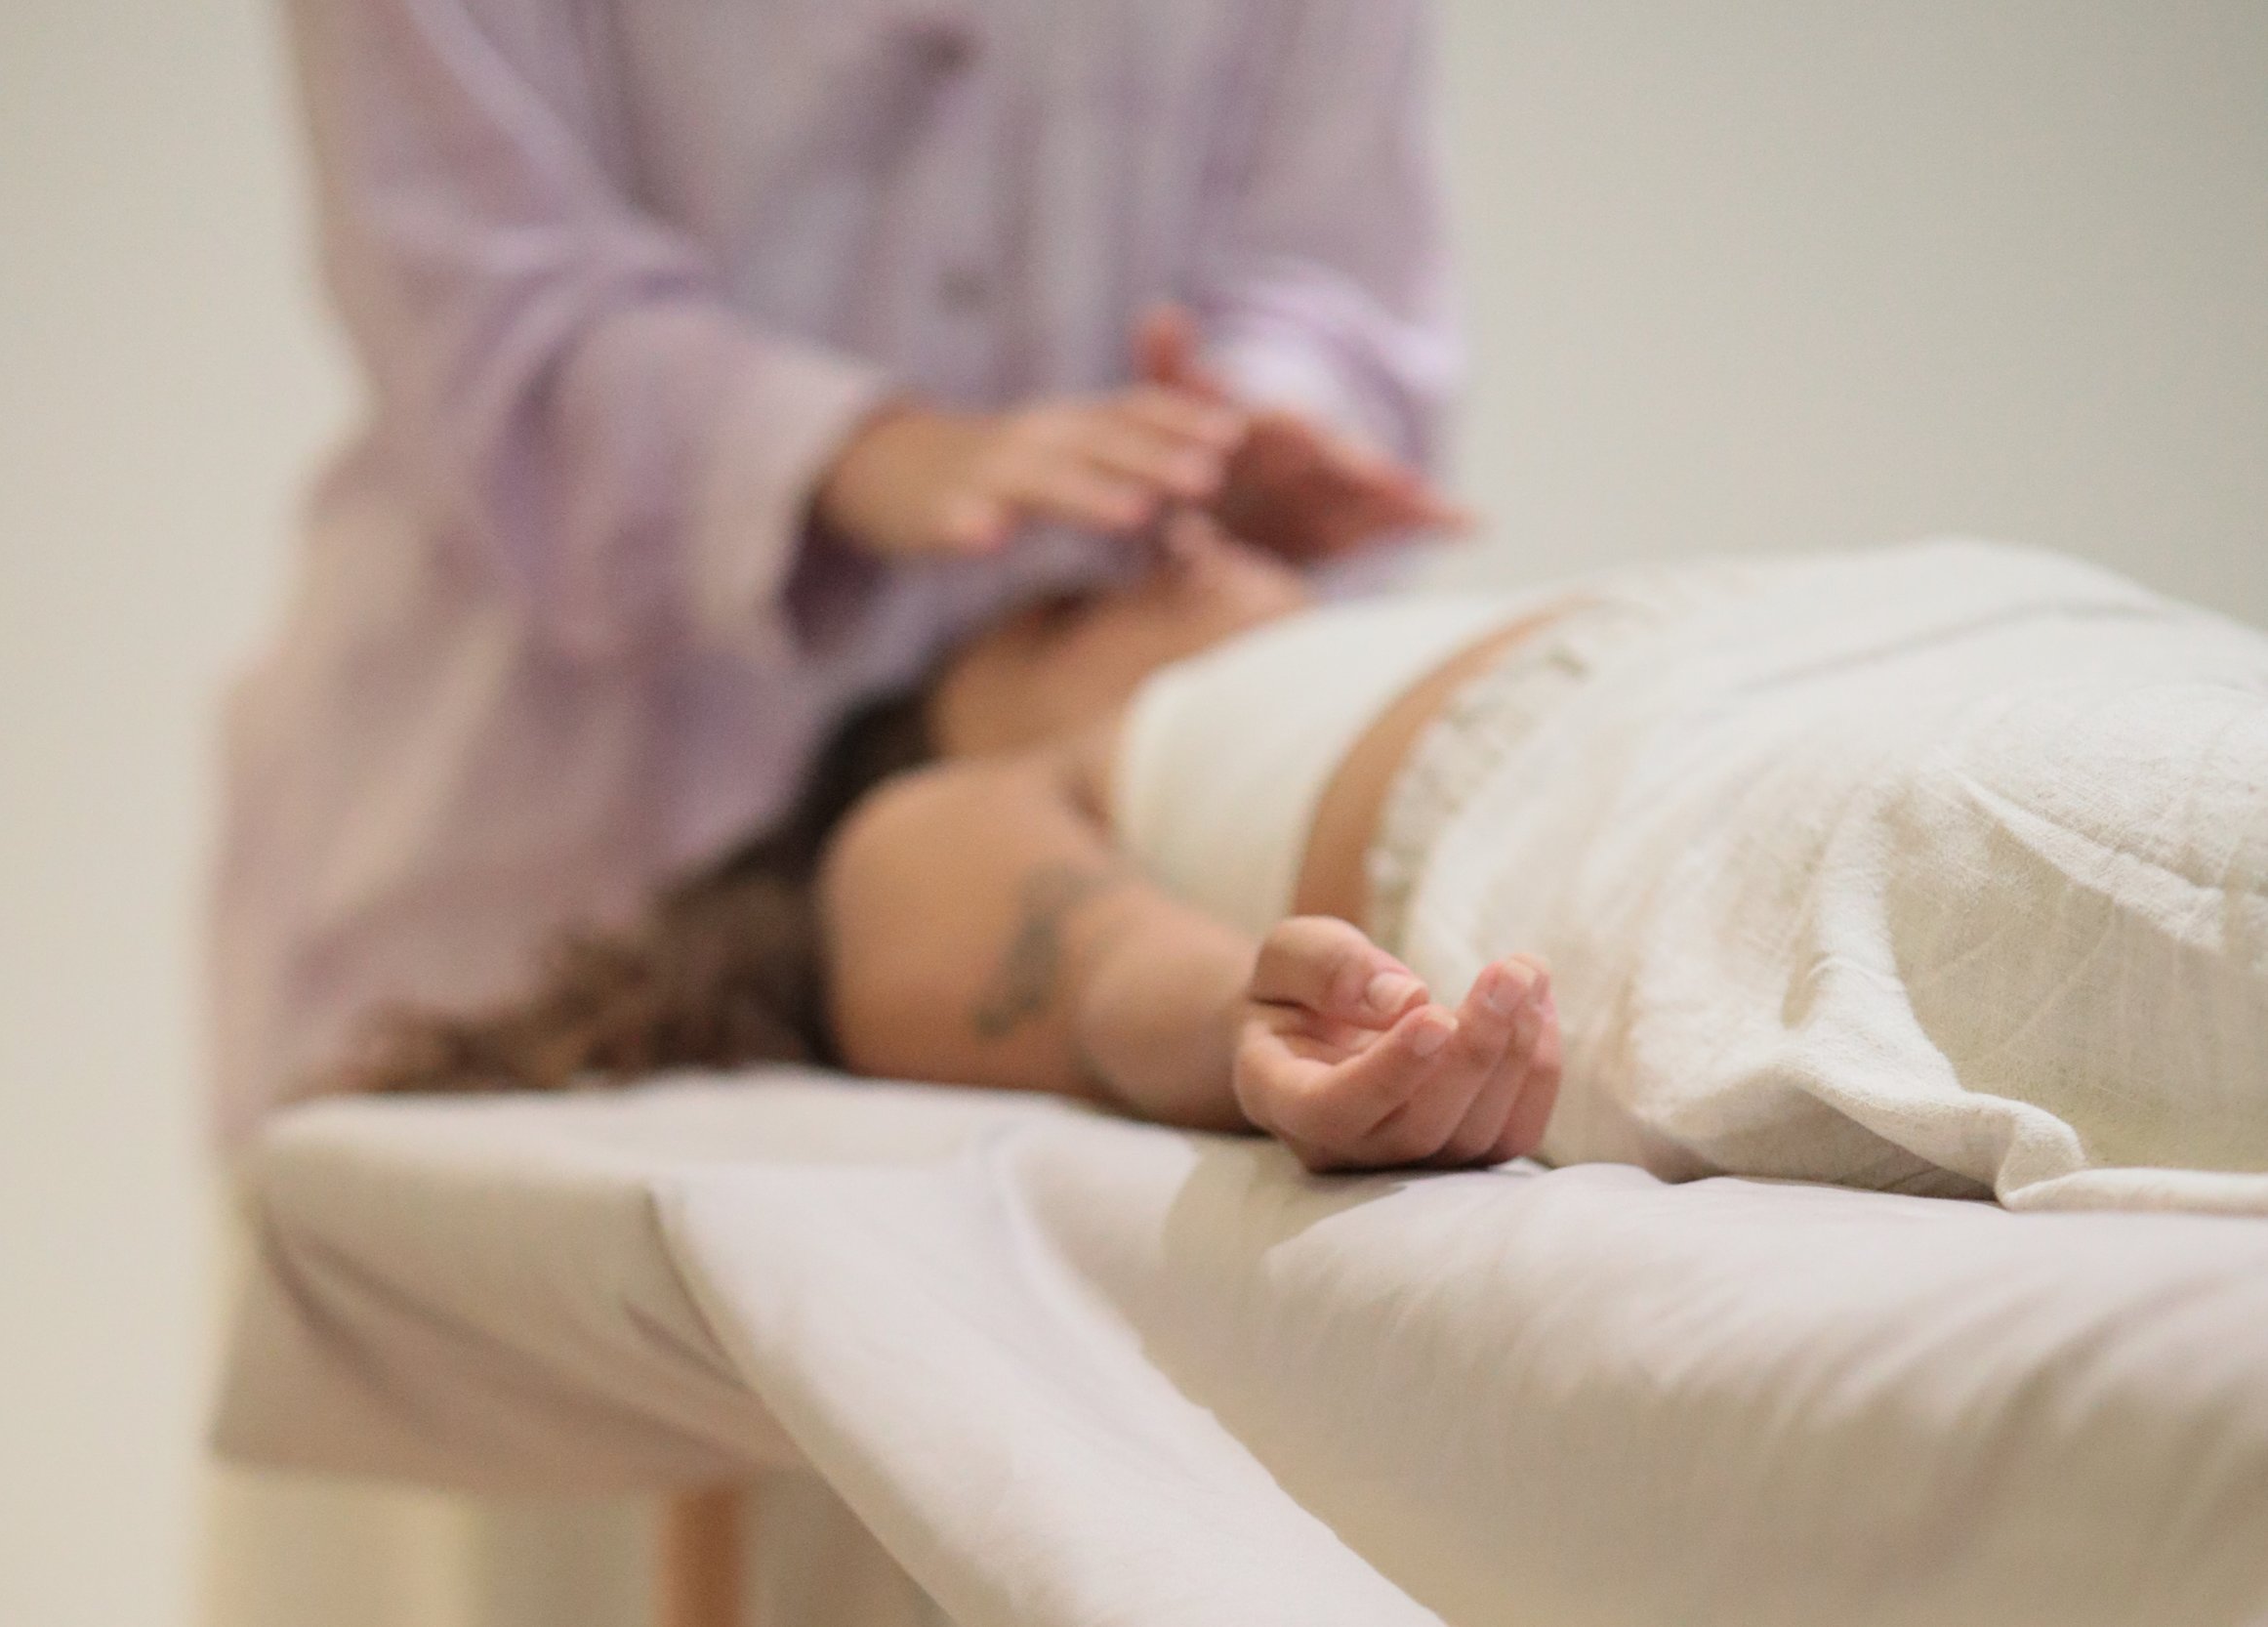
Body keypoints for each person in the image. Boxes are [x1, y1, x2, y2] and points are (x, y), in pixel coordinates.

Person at [212, 0, 1464, 1143]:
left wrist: (1252, 416)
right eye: (1060, 622)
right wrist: (851, 453)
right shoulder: (955, 860)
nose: (1177, 564)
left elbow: (1336, 267)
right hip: (530, 830)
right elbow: (478, 292)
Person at [353, 518, 2268, 1214]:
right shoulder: (933, 808)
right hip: (1739, 770)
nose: (1166, 537)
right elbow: (1094, 973)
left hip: (2045, 644)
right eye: (1057, 601)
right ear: (971, 720)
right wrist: (1271, 1045)